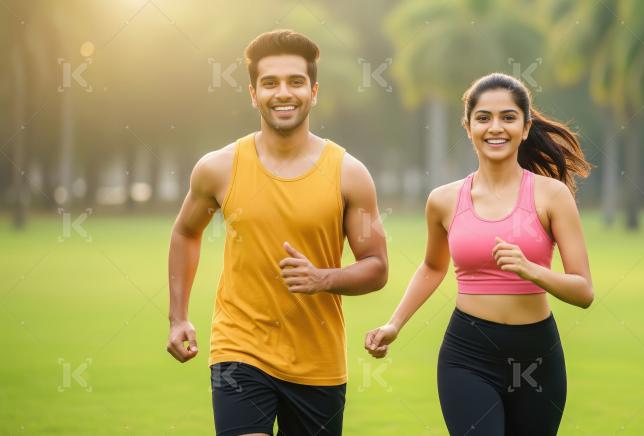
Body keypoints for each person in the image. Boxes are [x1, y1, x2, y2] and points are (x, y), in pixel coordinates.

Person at [166, 29, 388, 436]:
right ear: (253, 94)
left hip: (318, 361)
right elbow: (185, 233)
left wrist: (324, 278)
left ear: (314, 91)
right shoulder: (218, 168)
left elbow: (377, 268)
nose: (282, 93)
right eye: (270, 83)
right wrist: (178, 316)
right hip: (239, 348)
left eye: (295, 82)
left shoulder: (348, 174)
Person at [365, 72, 593, 435]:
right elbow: (431, 267)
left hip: (537, 357)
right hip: (467, 356)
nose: (495, 127)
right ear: (468, 126)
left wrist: (533, 271)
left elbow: (584, 292)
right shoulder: (443, 200)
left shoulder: (552, 196)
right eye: (483, 117)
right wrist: (394, 324)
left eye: (508, 117)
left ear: (525, 125)